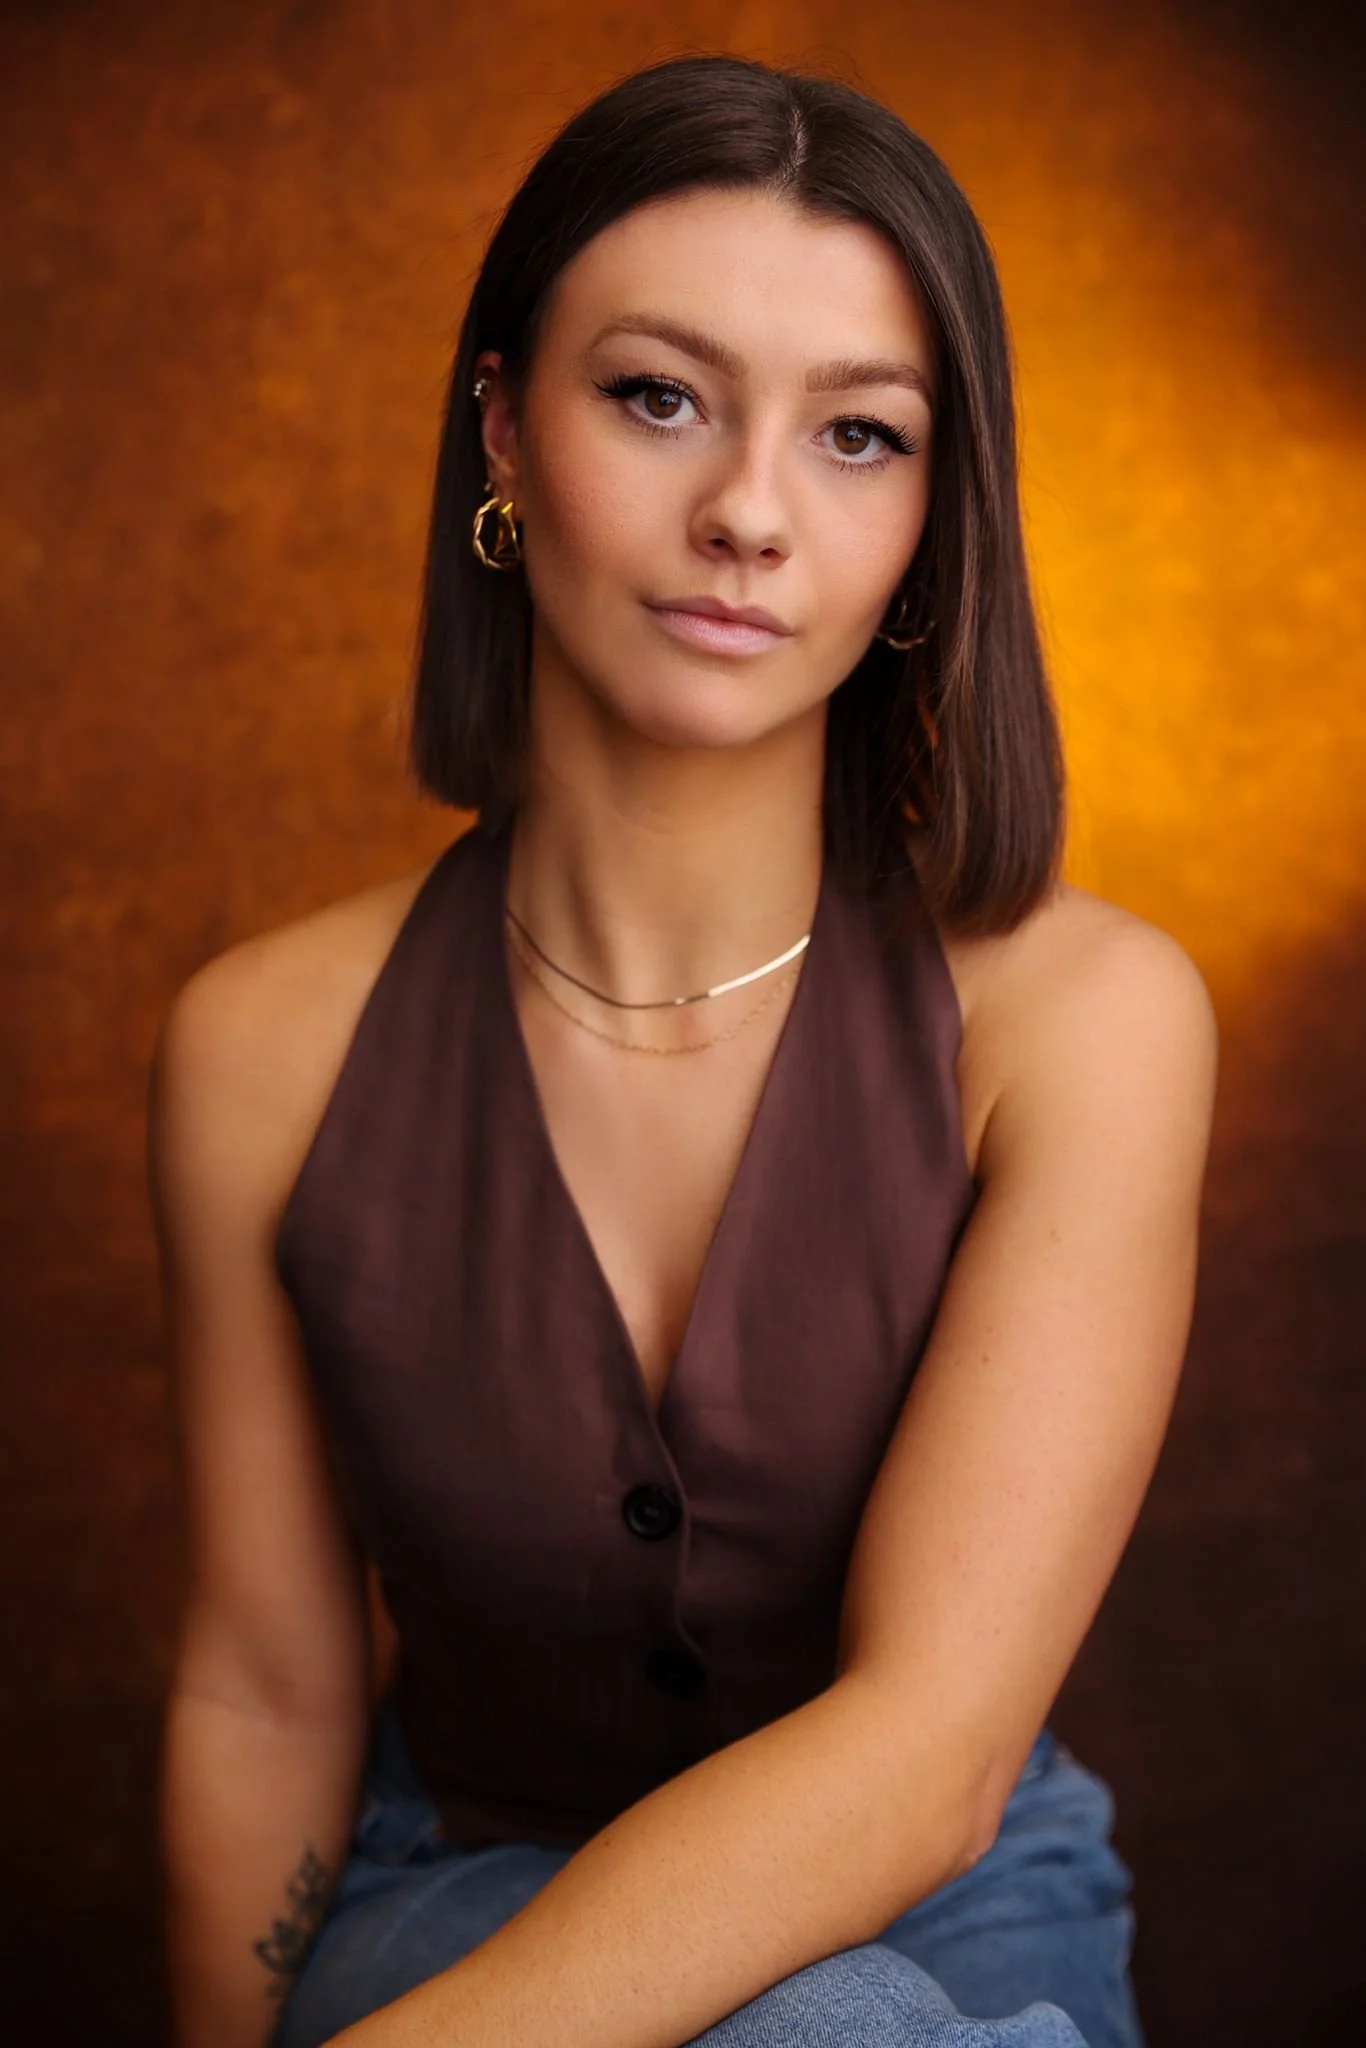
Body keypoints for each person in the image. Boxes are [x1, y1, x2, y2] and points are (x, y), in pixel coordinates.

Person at [148, 53, 1218, 2048]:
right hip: (458, 1886)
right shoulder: (261, 1047)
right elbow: (266, 1688)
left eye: (858, 435)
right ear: (500, 425)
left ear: (933, 516)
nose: (745, 512)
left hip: (962, 1909)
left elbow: (927, 1750)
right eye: (659, 397)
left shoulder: (1084, 1020)